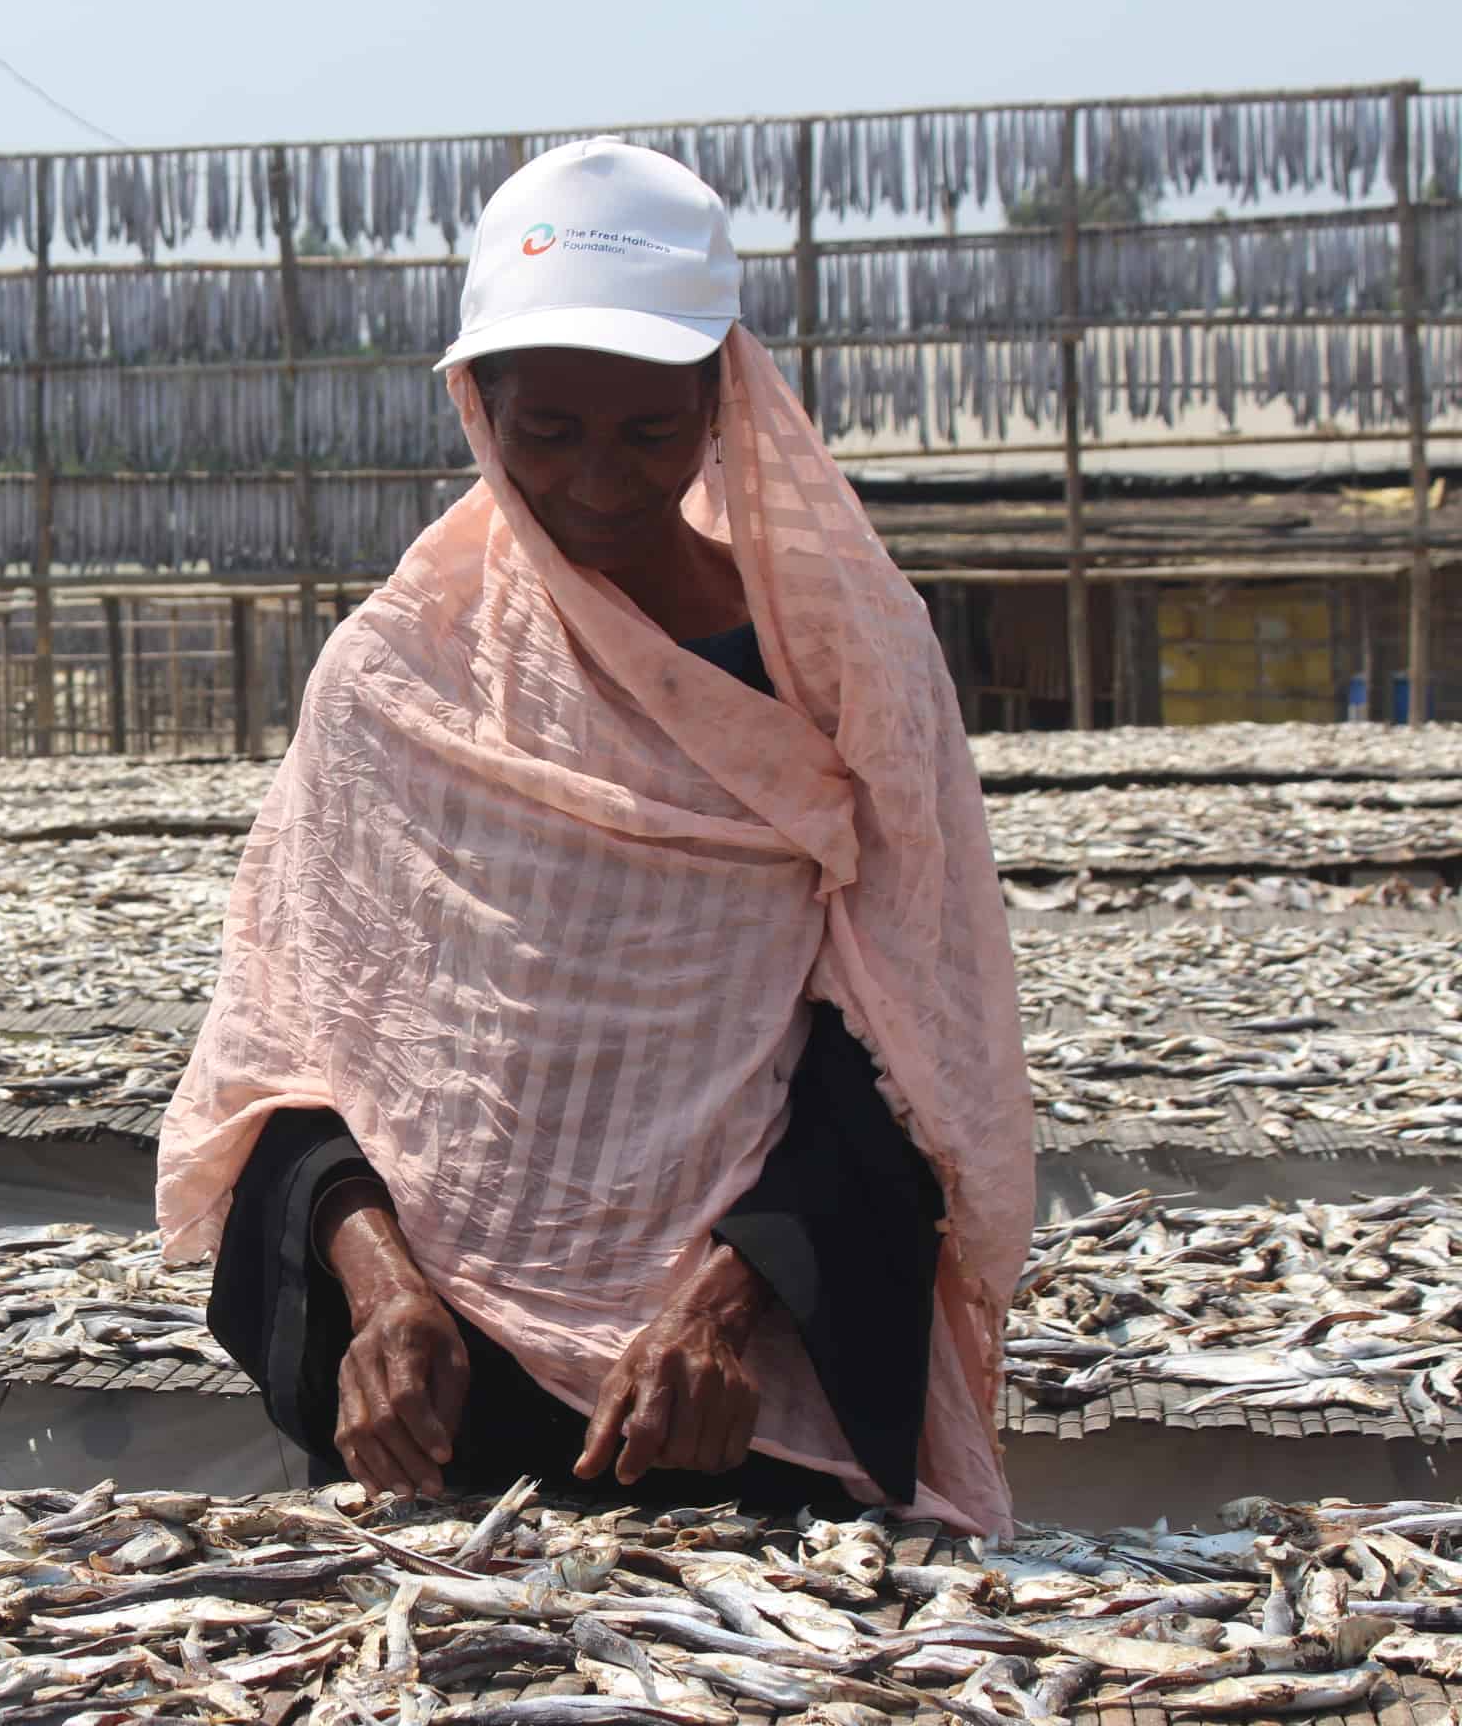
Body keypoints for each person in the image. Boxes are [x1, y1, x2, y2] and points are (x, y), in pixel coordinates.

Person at [156, 139, 1034, 1535]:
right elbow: (296, 1045)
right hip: (437, 1398)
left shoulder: (841, 659)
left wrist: (727, 1304)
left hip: (739, 1382)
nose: (598, 482)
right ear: (478, 409)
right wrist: (383, 1291)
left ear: (720, 408)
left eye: (647, 433)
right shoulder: (401, 670)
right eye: (547, 432)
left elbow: (910, 1044)